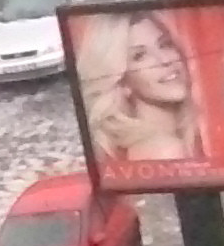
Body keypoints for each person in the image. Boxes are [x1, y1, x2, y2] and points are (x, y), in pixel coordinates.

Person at [77, 9, 205, 166]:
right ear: (123, 82)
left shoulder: (179, 138)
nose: (164, 60)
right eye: (140, 56)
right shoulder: (165, 151)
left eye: (165, 44)